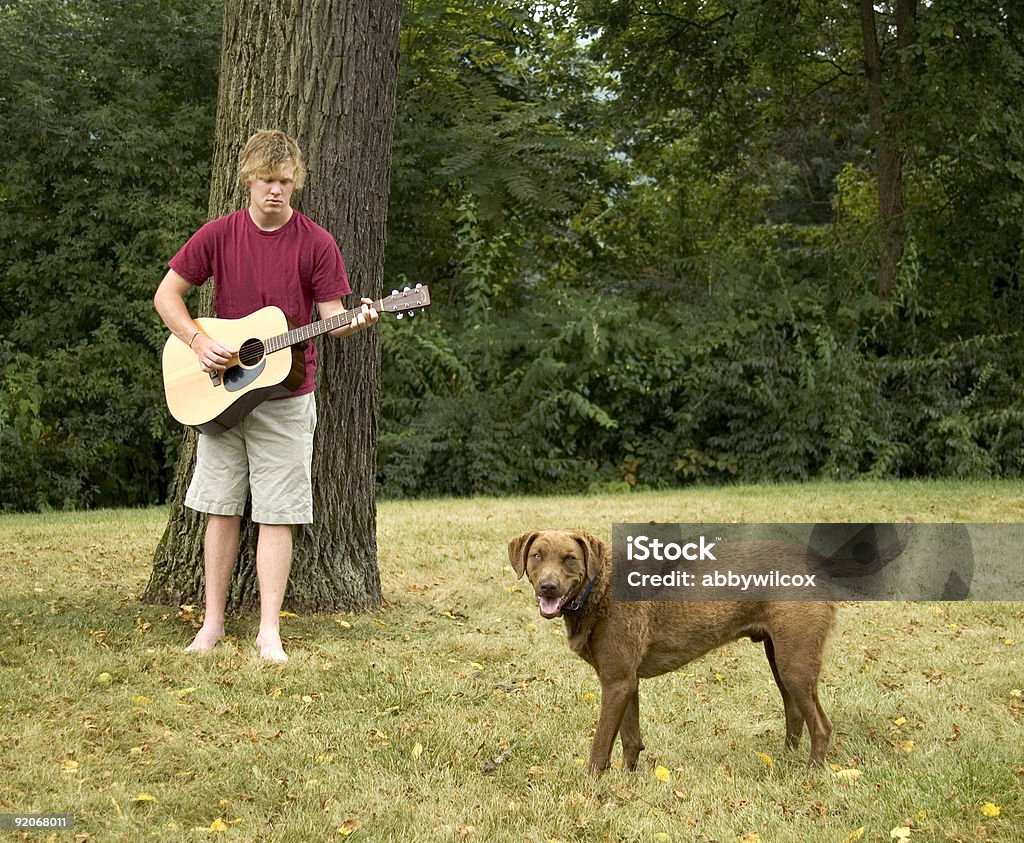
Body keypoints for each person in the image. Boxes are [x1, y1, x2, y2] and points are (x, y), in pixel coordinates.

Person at [153, 129, 378, 662]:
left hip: (287, 396)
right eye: (265, 180)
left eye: (284, 181)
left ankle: (268, 630)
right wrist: (198, 340)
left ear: (294, 183)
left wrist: (357, 320)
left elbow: (331, 322)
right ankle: (211, 624)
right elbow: (167, 295)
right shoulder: (218, 234)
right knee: (220, 509)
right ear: (247, 180)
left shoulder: (317, 243)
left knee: (278, 513)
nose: (275, 191)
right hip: (222, 398)